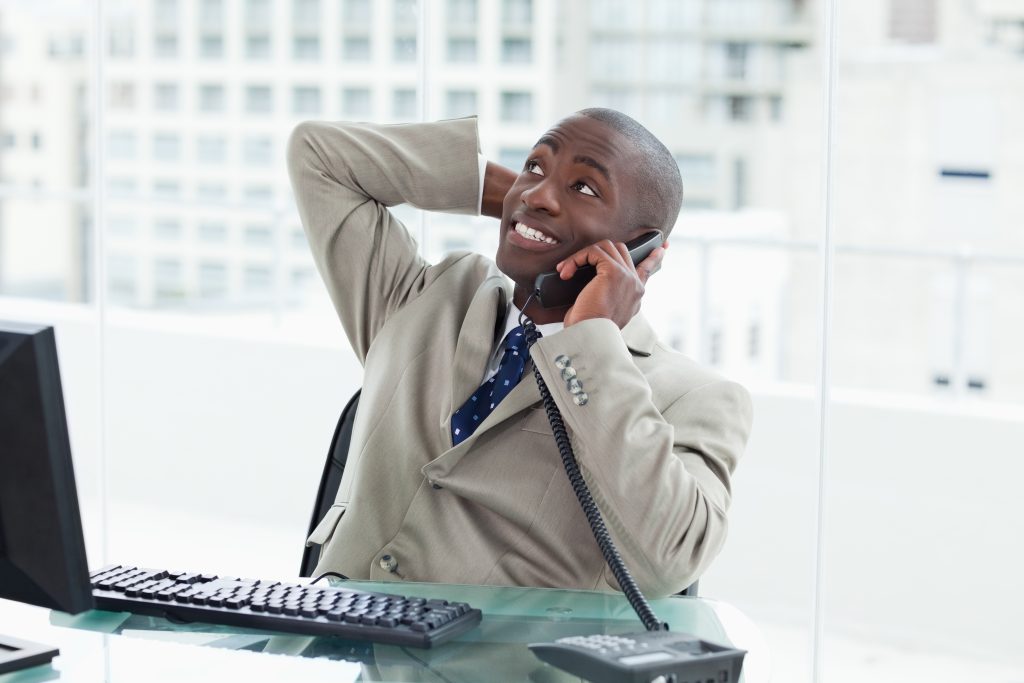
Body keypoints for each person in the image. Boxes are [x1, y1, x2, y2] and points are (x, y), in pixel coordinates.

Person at [286, 109, 752, 597]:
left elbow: (675, 556)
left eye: (585, 188)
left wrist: (592, 341)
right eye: (535, 166)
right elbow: (318, 155)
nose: (540, 193)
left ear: (643, 250)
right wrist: (517, 202)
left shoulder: (695, 398)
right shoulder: (425, 297)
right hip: (339, 651)